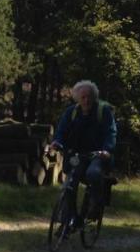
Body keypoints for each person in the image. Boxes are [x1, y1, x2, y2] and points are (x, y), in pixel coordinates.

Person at [48, 80, 117, 226]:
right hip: (78, 155)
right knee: (70, 182)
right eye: (83, 97)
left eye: (89, 97)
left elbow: (111, 132)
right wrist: (57, 142)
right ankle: (67, 221)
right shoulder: (71, 112)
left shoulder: (103, 112)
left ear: (94, 97)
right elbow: (61, 131)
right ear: (77, 98)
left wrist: (107, 149)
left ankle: (95, 205)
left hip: (97, 155)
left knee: (93, 173)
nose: (86, 100)